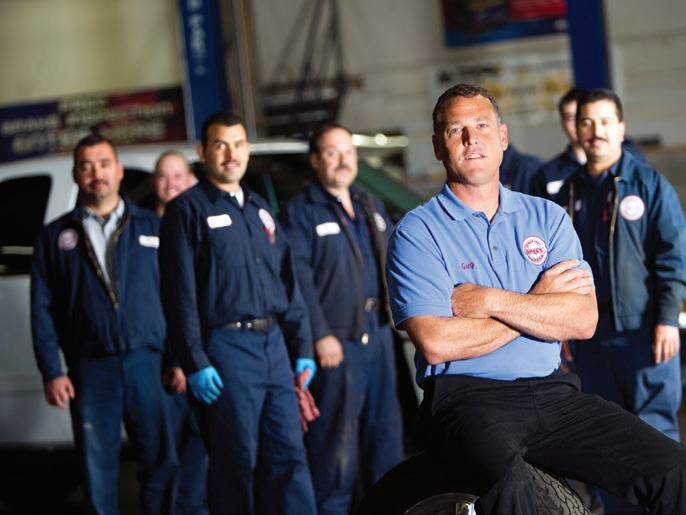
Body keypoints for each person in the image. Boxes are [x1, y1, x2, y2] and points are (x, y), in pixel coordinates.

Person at [385, 83, 686, 514]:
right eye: (456, 130)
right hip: (466, 399)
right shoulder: (417, 232)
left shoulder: (547, 216)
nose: (472, 139)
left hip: (553, 392)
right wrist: (540, 305)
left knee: (674, 470)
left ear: (503, 137)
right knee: (513, 489)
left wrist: (493, 301)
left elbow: (582, 320)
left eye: (482, 126)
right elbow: (437, 342)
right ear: (438, 146)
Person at [158, 112, 317, 515]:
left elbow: (288, 284)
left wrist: (302, 347)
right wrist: (194, 359)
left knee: (289, 457)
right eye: (220, 145)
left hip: (274, 348)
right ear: (202, 152)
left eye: (239, 144)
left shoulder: (260, 209)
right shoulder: (186, 211)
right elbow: (178, 295)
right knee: (236, 463)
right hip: (226, 349)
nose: (231, 154)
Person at [31, 134, 178, 515]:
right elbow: (42, 309)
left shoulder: (152, 226)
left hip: (150, 363)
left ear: (119, 170)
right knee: (97, 474)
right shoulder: (54, 238)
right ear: (76, 175)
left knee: (161, 466)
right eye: (86, 166)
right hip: (91, 367)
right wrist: (52, 370)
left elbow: (176, 297)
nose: (97, 173)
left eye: (104, 164)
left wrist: (179, 359)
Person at [283, 124, 404, 514]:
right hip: (338, 342)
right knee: (336, 448)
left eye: (348, 152)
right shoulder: (302, 211)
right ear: (315, 161)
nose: (342, 160)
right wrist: (319, 334)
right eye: (332, 153)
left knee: (385, 438)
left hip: (379, 332)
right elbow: (298, 280)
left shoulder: (369, 205)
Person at [554, 88, 685, 442]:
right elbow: (557, 268)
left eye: (606, 121)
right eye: (587, 122)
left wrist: (667, 320)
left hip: (643, 333)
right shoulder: (568, 194)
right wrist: (562, 330)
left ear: (621, 128)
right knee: (607, 440)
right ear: (577, 130)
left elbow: (673, 258)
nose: (597, 130)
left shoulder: (648, 185)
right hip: (590, 338)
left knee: (656, 437)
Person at [151, 150, 207, 515]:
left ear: (191, 180)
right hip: (159, 363)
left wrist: (188, 359)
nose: (171, 183)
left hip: (200, 359)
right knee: (164, 458)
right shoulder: (141, 230)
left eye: (178, 175)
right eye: (163, 176)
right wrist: (176, 360)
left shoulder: (201, 225)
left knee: (200, 454)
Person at [537, 87, 647, 199]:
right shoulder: (548, 173)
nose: (576, 123)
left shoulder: (634, 160)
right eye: (570, 118)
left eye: (583, 117)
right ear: (562, 123)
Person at [152, 149, 196, 216]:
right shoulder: (139, 220)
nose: (170, 184)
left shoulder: (202, 218)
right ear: (154, 180)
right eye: (163, 176)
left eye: (178, 176)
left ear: (190, 179)